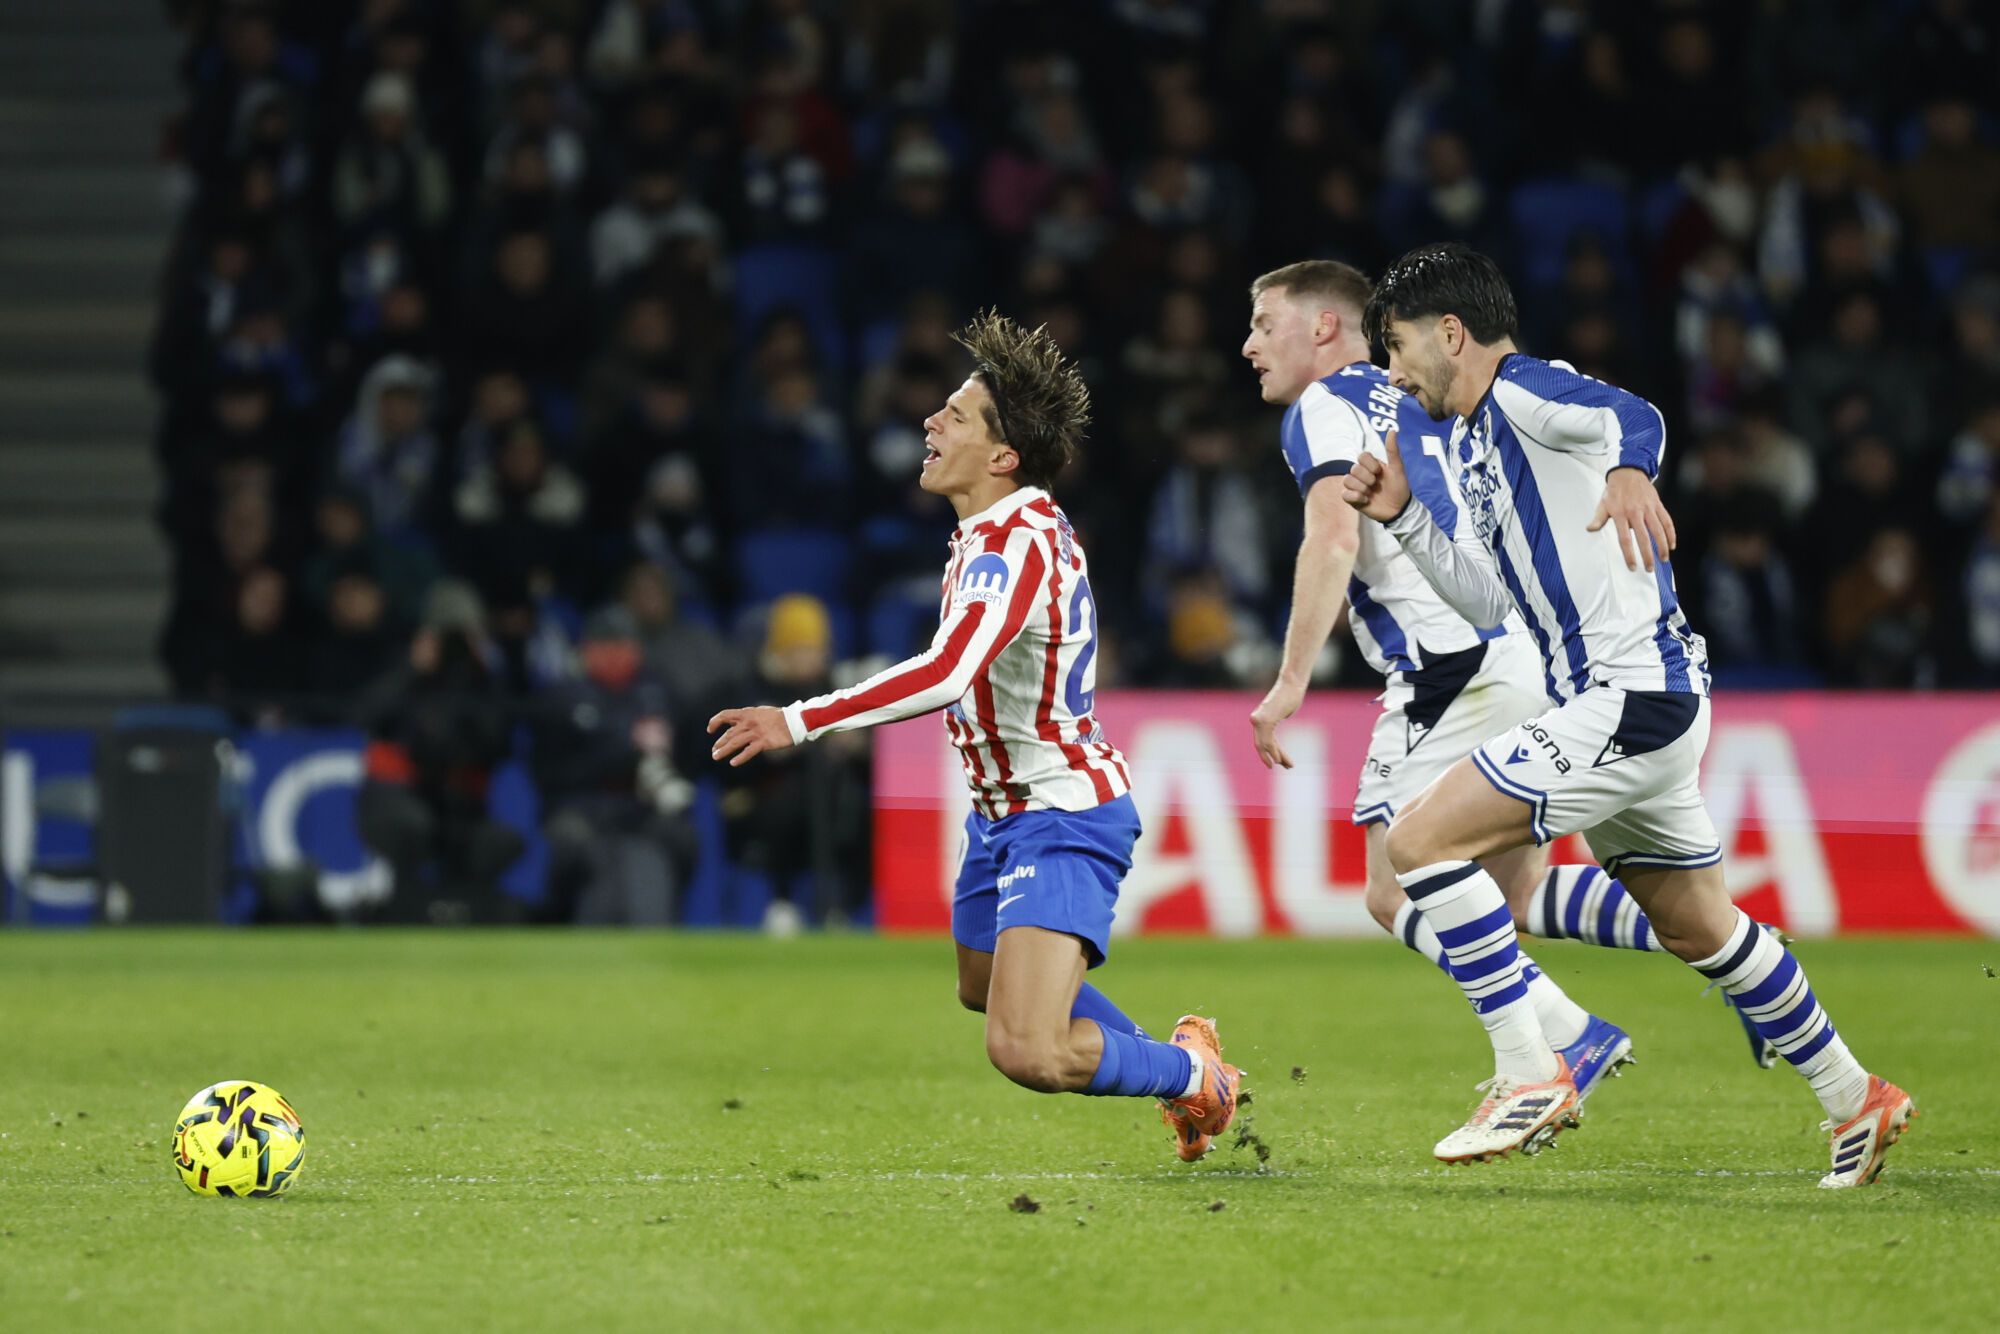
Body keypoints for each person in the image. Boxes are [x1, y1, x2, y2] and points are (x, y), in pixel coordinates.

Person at [1345, 242, 1912, 1185]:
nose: (1393, 373)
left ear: (1450, 332)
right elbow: (1487, 602)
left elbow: (1630, 414)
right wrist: (1406, 516)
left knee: (1418, 844)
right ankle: (1858, 1096)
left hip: (1629, 699)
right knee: (1700, 928)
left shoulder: (1523, 391)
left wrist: (1632, 471)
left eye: (1397, 347)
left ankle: (1530, 1071)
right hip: (1634, 706)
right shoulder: (1476, 444)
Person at [708, 311, 1240, 1160]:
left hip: (1060, 814)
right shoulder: (994, 534)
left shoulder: (1014, 545)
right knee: (982, 984)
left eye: (954, 415)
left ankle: (1193, 1078)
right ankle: (1179, 1067)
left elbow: (949, 672)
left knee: (1027, 1050)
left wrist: (797, 718)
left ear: (1001, 457)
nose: (930, 421)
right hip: (1002, 815)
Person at [1242, 259, 1644, 1112]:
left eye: (1264, 323)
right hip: (1522, 647)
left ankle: (1562, 1040)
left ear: (1323, 326)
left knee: (1392, 888)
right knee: (1514, 892)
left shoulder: (1325, 405)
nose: (1249, 345)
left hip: (1450, 664)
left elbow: (1333, 538)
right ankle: (1715, 933)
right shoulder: (1426, 397)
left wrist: (1288, 682)